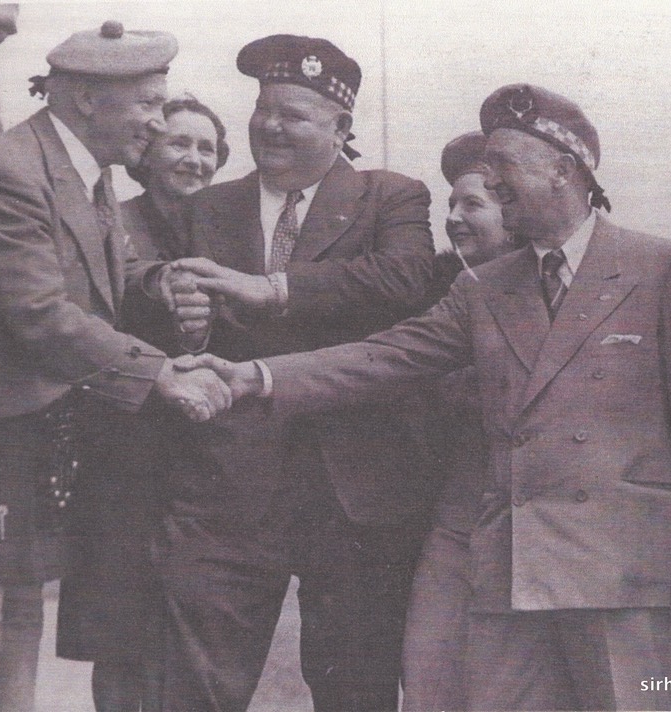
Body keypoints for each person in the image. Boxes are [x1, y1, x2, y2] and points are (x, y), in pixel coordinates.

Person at [177, 83, 671, 711]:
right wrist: (254, 376)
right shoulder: (485, 288)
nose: (490, 179)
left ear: (563, 171)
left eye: (503, 166)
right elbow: (383, 356)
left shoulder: (661, 266)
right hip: (509, 563)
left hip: (621, 564)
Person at [0, 21, 230, 712]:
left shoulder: (80, 166)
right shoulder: (6, 172)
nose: (158, 122)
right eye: (149, 104)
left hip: (33, 416)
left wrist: (157, 282)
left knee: (19, 600)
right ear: (86, 99)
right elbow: (42, 311)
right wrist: (159, 373)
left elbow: (105, 270)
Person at [155, 34, 436, 712]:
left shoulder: (389, 197)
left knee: (354, 686)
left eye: (293, 114)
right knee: (199, 685)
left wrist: (273, 288)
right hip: (227, 487)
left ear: (341, 128)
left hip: (354, 491)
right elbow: (171, 320)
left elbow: (405, 280)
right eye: (262, 108)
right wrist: (184, 319)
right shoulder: (205, 208)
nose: (270, 125)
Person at [56, 95, 230, 712]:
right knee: (121, 634)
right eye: (179, 143)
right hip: (123, 455)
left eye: (207, 148)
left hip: (205, 459)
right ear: (147, 153)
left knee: (197, 638)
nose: (193, 158)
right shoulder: (110, 222)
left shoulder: (232, 230)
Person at [401, 130, 513, 711]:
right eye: (450, 205)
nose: (454, 218)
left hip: (533, 535)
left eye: (473, 204)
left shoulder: (560, 292)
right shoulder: (434, 291)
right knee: (429, 683)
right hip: (453, 520)